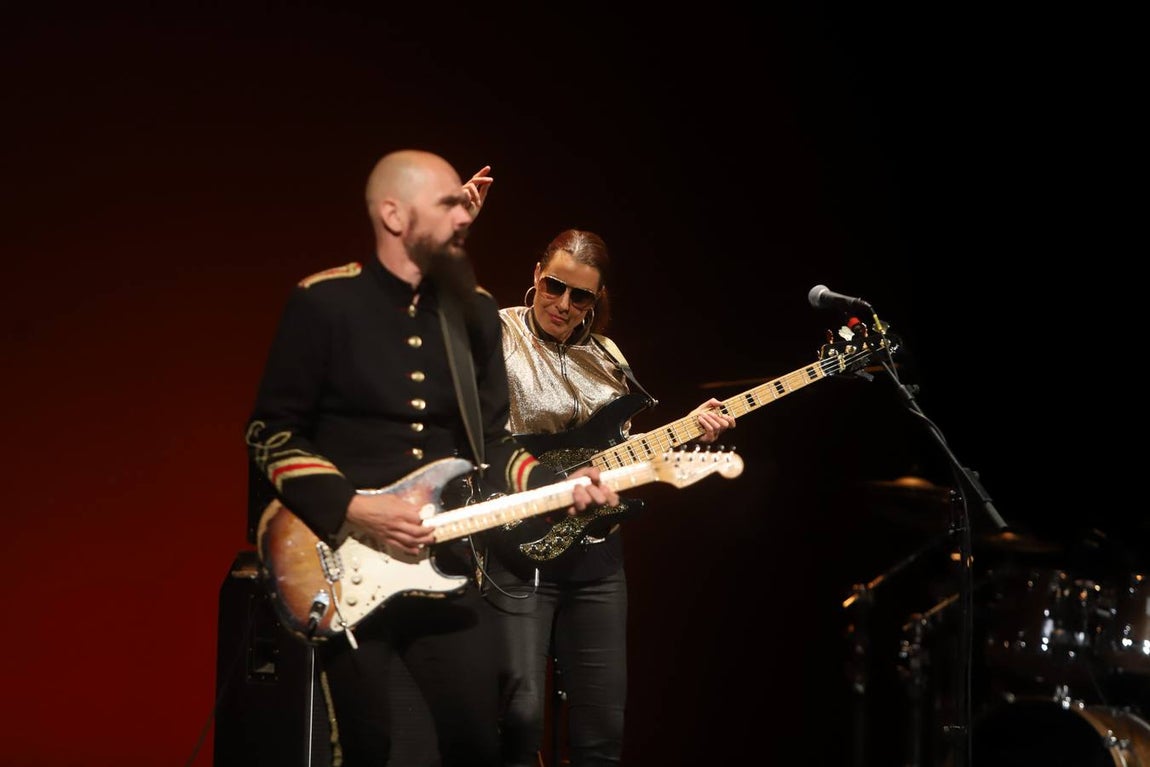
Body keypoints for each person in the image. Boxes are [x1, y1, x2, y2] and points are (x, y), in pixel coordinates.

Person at [243, 150, 619, 767]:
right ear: (393, 214)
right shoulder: (325, 302)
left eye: (465, 206)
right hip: (346, 563)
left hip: (440, 562)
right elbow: (269, 434)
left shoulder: (471, 313)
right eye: (448, 203)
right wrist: (354, 508)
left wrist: (559, 482)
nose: (466, 215)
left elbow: (491, 442)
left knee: (480, 740)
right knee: (365, 747)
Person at [481, 228, 736, 766]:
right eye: (555, 287)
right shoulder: (497, 331)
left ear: (596, 302)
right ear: (536, 275)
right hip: (516, 545)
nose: (564, 305)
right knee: (518, 721)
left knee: (601, 732)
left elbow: (616, 451)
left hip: (596, 557)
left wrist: (690, 427)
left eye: (581, 297)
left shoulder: (608, 355)